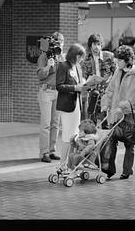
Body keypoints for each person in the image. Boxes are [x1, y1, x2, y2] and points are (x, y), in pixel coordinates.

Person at [101, 45, 135, 179]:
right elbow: (110, 90)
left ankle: (127, 171)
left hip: (130, 117)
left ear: (127, 60)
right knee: (111, 140)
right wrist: (106, 104)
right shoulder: (118, 71)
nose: (116, 62)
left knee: (129, 144)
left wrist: (122, 108)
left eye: (119, 60)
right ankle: (109, 170)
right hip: (116, 115)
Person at [56, 43, 89, 169]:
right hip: (67, 106)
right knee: (67, 136)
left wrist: (85, 85)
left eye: (82, 57)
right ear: (73, 55)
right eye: (79, 57)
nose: (81, 60)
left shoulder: (78, 67)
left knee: (74, 136)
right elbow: (59, 86)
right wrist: (75, 87)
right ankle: (62, 165)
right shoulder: (63, 66)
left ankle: (70, 164)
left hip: (77, 106)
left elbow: (80, 83)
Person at [36, 32, 65, 163]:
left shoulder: (62, 57)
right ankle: (44, 153)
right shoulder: (44, 56)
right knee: (46, 124)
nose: (59, 44)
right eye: (57, 42)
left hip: (58, 92)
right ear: (53, 42)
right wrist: (48, 66)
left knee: (56, 124)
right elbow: (40, 75)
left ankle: (52, 150)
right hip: (46, 92)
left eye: (62, 42)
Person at [80, 33, 117, 124]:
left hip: (107, 91)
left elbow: (116, 72)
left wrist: (110, 80)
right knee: (92, 118)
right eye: (94, 44)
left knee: (106, 118)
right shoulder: (85, 59)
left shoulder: (109, 56)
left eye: (99, 44)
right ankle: (94, 136)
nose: (97, 47)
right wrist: (86, 82)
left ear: (101, 45)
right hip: (93, 91)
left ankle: (107, 136)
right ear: (90, 45)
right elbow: (83, 76)